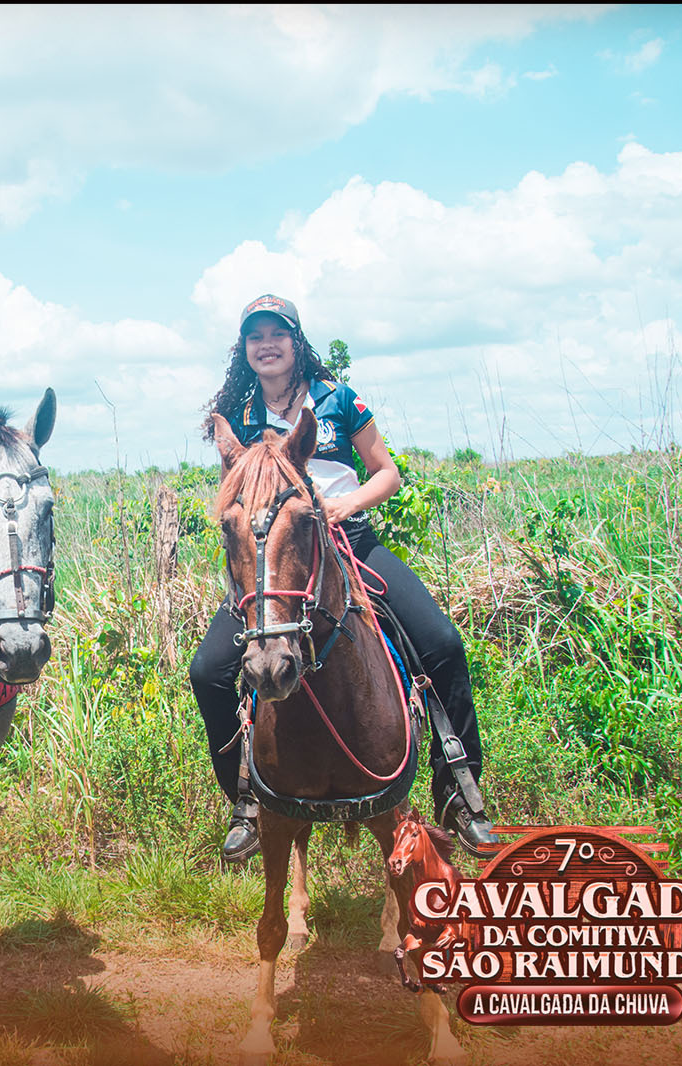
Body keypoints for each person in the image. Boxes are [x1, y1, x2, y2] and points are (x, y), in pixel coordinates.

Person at [188, 294, 500, 858]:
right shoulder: (240, 417)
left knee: (441, 644)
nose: (266, 345)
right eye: (255, 336)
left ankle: (458, 791)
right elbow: (239, 498)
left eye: (277, 334)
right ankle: (247, 801)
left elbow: (387, 473)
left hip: (349, 539)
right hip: (278, 554)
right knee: (208, 670)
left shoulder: (338, 399)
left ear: (296, 341)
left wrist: (345, 505)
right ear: (245, 349)